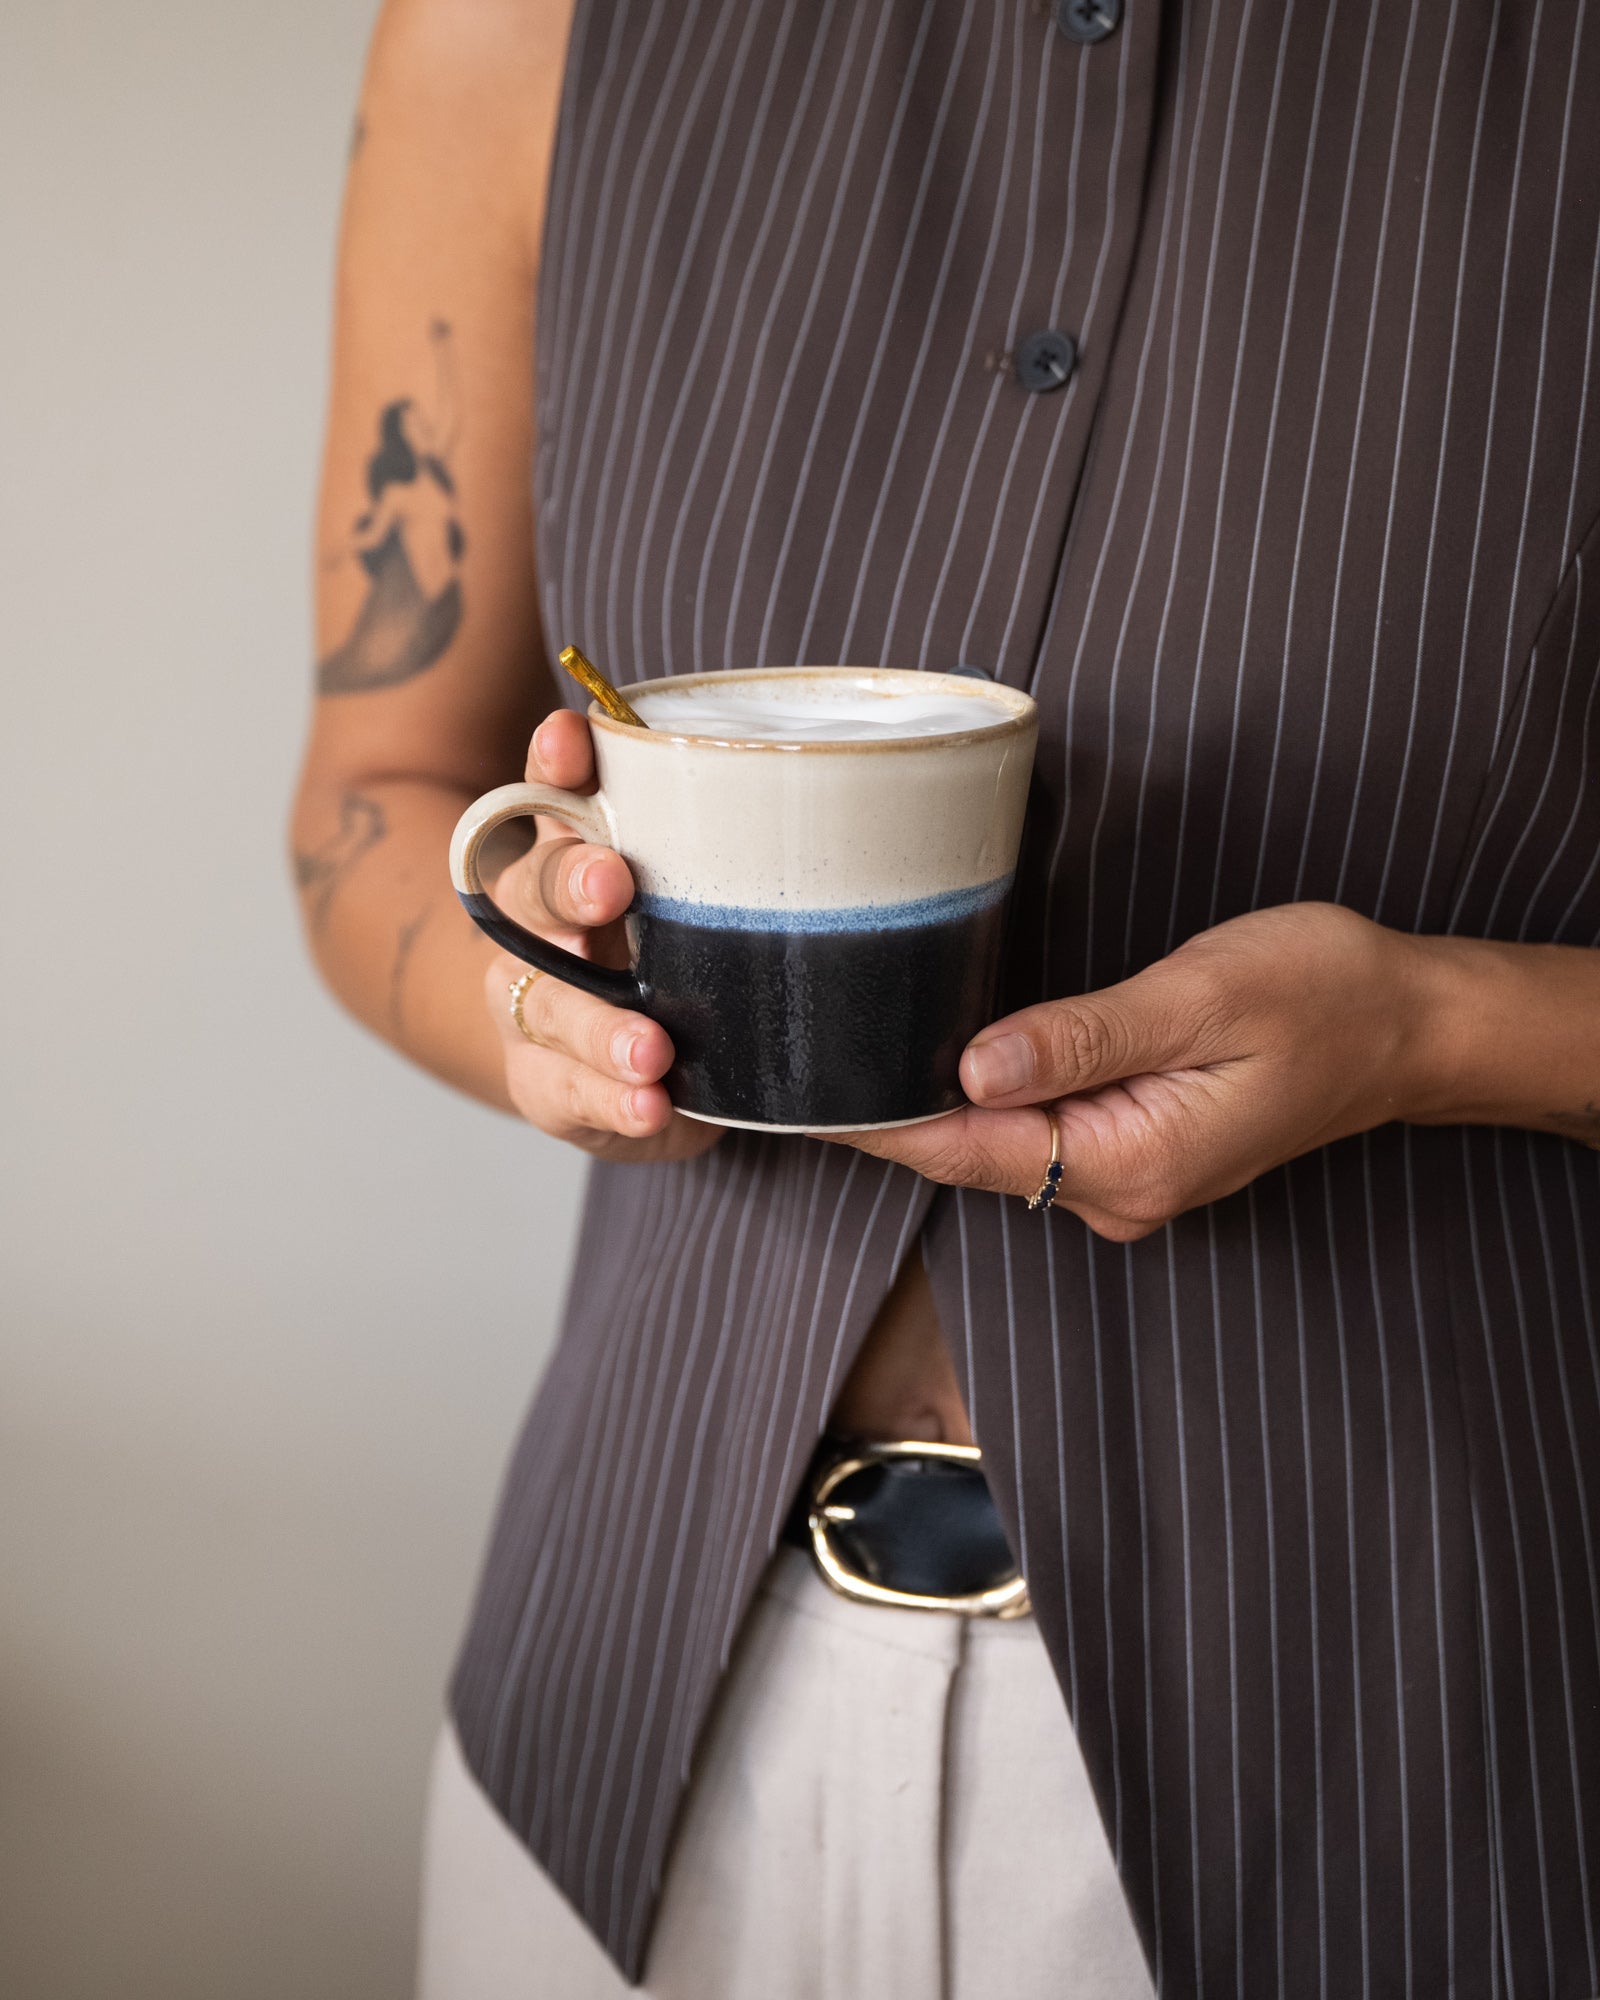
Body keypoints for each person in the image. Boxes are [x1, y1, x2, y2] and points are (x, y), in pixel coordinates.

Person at [291, 2, 1600, 1994]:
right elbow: (378, 793)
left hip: (1421, 1758)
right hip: (627, 1729)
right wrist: (545, 1015)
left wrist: (1430, 1030)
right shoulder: (514, 27)